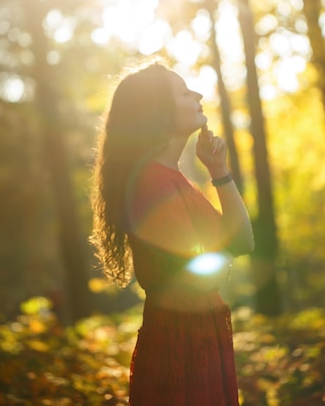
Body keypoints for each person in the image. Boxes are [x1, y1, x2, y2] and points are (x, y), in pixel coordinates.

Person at [90, 62, 254, 406]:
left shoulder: (174, 179)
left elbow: (241, 242)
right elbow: (193, 271)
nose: (197, 95)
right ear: (159, 111)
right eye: (183, 91)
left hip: (199, 336)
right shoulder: (152, 181)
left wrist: (220, 172)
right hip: (180, 345)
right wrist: (217, 265)